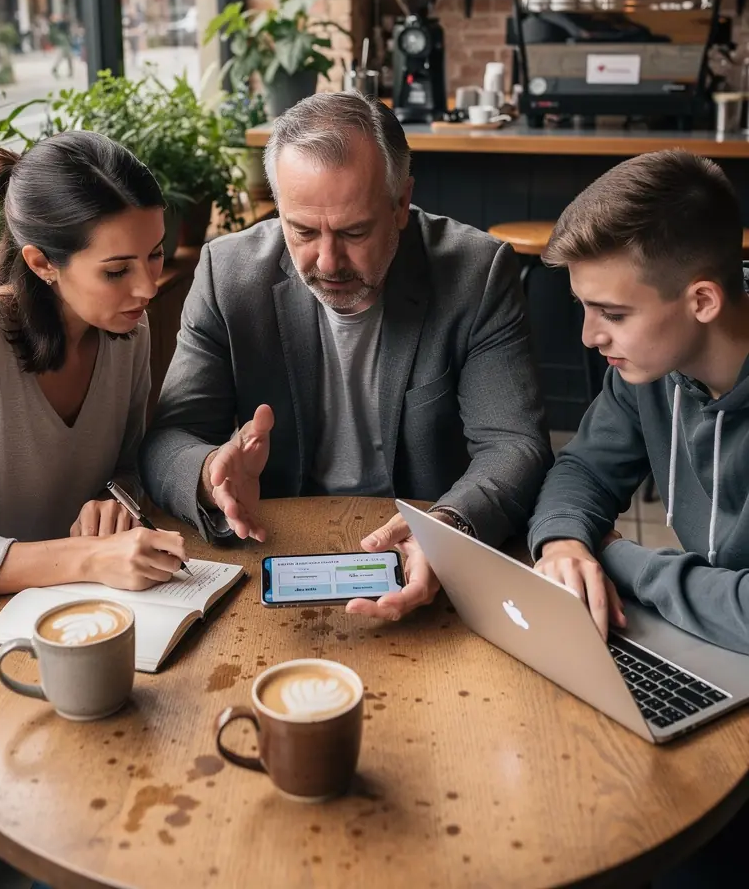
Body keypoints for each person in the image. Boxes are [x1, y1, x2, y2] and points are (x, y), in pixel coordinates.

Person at [141, 91, 551, 622]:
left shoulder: (475, 272)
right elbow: (169, 438)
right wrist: (208, 473)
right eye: (302, 231)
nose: (327, 262)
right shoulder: (228, 273)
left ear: (401, 204)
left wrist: (447, 526)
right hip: (274, 543)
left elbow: (514, 443)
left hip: (421, 542)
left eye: (354, 232)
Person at [0, 131, 188, 804]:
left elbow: (125, 463)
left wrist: (115, 502)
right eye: (118, 268)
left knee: (169, 740)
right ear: (42, 263)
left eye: (155, 256)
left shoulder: (124, 328)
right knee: (73, 783)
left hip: (51, 622)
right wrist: (82, 559)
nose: (148, 286)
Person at [527, 150, 749, 889]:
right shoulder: (648, 373)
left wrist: (619, 559)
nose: (590, 337)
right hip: (709, 652)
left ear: (703, 301)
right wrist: (564, 541)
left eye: (612, 313)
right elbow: (582, 470)